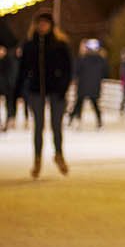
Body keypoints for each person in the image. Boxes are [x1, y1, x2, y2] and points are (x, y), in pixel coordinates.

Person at [10, 10, 73, 177]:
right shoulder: (30, 45)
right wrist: (17, 93)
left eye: (46, 23)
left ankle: (59, 154)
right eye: (40, 23)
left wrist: (63, 88)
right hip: (36, 90)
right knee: (38, 126)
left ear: (51, 25)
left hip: (56, 91)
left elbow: (68, 70)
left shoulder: (60, 45)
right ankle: (37, 159)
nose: (43, 26)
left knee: (56, 125)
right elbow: (23, 70)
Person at [70, 39, 108, 128]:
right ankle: (99, 121)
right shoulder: (101, 60)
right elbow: (105, 72)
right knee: (93, 103)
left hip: (83, 85)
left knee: (79, 103)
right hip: (94, 85)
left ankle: (76, 119)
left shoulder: (82, 59)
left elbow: (76, 71)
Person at [0, 17, 19, 132]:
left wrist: (6, 51)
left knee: (9, 96)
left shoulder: (4, 27)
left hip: (6, 74)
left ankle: (10, 117)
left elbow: (13, 43)